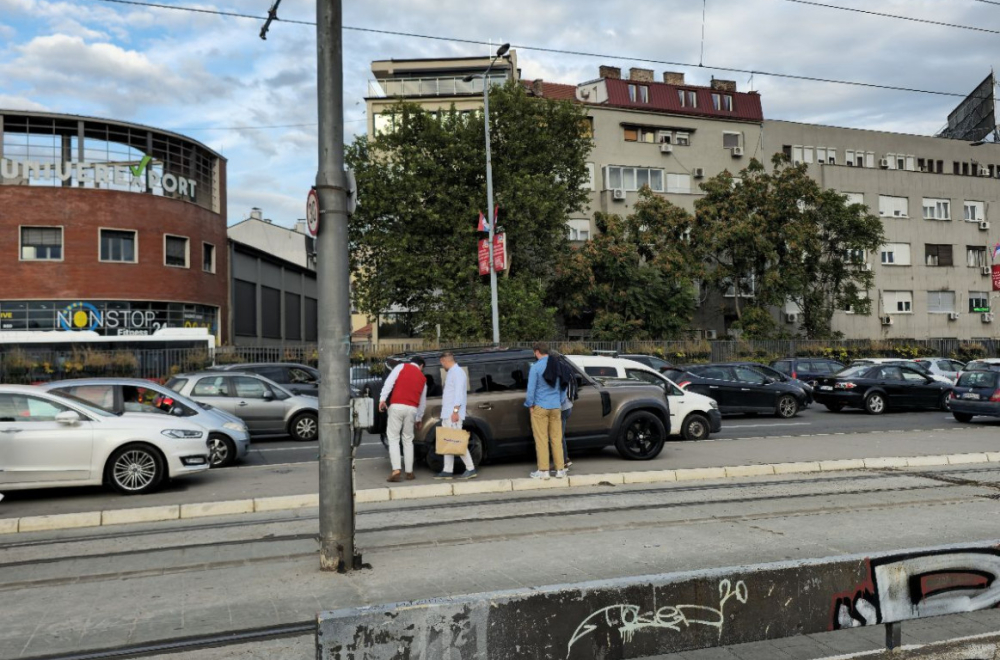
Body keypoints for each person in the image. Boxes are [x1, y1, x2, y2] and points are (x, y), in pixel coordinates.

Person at [379, 356, 427, 482]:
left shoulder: (401, 367)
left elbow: (389, 383)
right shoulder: (423, 379)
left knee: (393, 438)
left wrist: (382, 399)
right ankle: (409, 472)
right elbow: (422, 402)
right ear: (421, 366)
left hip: (396, 406)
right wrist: (419, 418)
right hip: (412, 409)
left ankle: (396, 470)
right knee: (408, 439)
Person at [433, 352, 477, 480]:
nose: (442, 365)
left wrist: (456, 411)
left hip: (452, 414)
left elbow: (458, 394)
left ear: (444, 361)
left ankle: (470, 468)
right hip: (449, 413)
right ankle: (447, 470)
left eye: (442, 363)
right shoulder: (453, 372)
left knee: (457, 441)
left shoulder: (457, 373)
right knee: (449, 440)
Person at [525, 342, 565, 479]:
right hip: (556, 406)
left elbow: (531, 390)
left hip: (540, 407)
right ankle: (560, 470)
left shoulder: (535, 367)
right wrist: (559, 401)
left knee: (542, 439)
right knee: (556, 439)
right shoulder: (556, 364)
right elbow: (563, 387)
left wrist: (530, 405)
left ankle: (544, 471)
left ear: (536, 352)